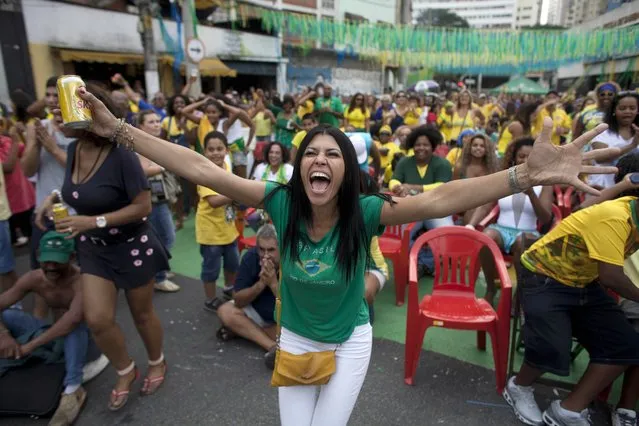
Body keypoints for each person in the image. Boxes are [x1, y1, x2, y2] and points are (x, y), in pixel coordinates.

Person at [73, 84, 616, 426]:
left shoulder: (368, 212)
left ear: (347, 173)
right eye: (313, 152)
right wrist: (120, 130)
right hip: (297, 339)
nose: (322, 160)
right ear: (300, 166)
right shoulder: (281, 203)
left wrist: (523, 174)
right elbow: (202, 170)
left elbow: (443, 197)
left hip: (351, 343)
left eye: (334, 154)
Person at [38, 84, 169, 411]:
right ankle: (125, 369)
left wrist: (92, 221)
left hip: (131, 245)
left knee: (142, 315)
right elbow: (79, 192)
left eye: (63, 110)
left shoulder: (122, 154)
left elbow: (142, 207)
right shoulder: (72, 150)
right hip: (94, 249)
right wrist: (54, 200)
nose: (55, 114)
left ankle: (157, 361)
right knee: (97, 319)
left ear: (87, 113)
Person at [504, 153, 639, 426]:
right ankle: (519, 386)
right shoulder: (616, 215)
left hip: (582, 282)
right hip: (543, 275)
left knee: (626, 345)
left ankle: (568, 409)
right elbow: (611, 276)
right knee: (553, 347)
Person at [0, 231, 108, 426]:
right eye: (47, 260)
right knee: (8, 316)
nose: (51, 267)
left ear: (72, 257)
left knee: (74, 325)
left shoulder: (82, 281)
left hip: (84, 343)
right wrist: (4, 335)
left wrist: (29, 346)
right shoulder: (34, 278)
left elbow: (72, 321)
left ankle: (73, 388)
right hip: (51, 334)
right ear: (39, 255)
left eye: (58, 261)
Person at [467, 137, 553, 306]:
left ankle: (519, 293)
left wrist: (531, 195)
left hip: (528, 233)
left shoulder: (545, 182)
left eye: (531, 156)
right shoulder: (505, 177)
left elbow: (545, 218)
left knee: (522, 243)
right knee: (487, 237)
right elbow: (486, 205)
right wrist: (471, 224)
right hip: (501, 229)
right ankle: (491, 288)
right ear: (515, 157)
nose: (525, 160)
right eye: (521, 156)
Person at [216, 224, 278, 364]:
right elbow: (237, 300)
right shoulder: (251, 257)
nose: (266, 255)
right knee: (225, 311)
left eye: (271, 250)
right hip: (255, 310)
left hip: (280, 317)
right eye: (262, 249)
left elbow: (293, 308)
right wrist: (261, 284)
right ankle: (272, 347)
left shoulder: (292, 263)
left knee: (298, 337)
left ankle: (242, 331)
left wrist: (273, 284)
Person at [135, 110, 180, 293]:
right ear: (141, 126)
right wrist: (161, 166)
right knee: (166, 237)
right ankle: (158, 276)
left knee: (162, 237)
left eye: (157, 121)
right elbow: (140, 170)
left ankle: (161, 269)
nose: (156, 124)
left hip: (161, 198)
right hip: (151, 201)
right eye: (151, 122)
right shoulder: (139, 146)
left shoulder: (155, 144)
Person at [196, 131, 240, 312]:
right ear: (204, 152)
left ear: (227, 150)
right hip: (210, 232)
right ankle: (210, 299)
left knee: (232, 264)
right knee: (211, 269)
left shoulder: (225, 168)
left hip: (228, 229)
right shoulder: (204, 173)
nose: (215, 153)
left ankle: (229, 289)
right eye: (211, 149)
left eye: (219, 149)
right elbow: (213, 202)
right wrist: (236, 193)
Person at [588, 91, 639, 190]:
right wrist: (632, 146)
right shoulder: (602, 132)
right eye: (622, 108)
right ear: (614, 110)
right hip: (602, 189)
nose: (627, 111)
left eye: (632, 108)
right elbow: (600, 158)